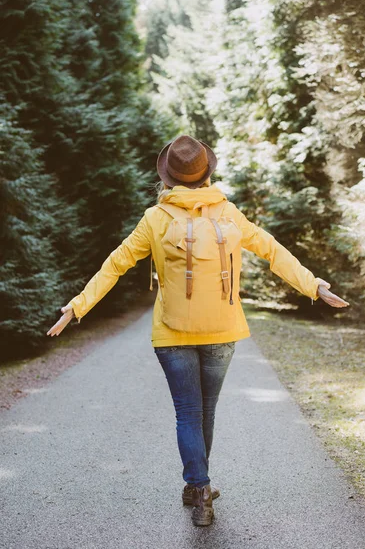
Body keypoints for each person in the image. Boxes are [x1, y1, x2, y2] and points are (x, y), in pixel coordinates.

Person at [47, 134, 349, 526]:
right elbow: (272, 250)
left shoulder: (155, 219)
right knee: (205, 411)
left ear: (168, 178)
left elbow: (115, 264)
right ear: (205, 173)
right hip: (222, 331)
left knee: (188, 413)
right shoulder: (228, 214)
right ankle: (198, 483)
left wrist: (77, 305)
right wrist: (314, 285)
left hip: (172, 335)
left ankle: (199, 487)